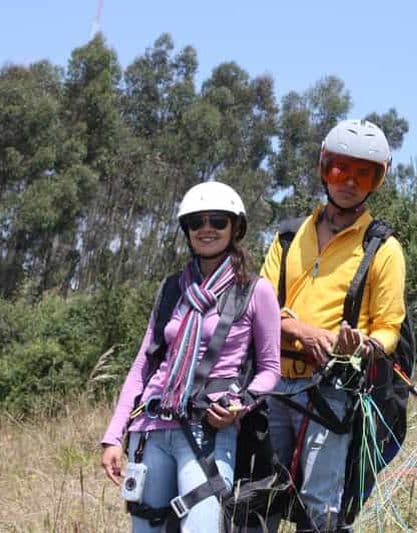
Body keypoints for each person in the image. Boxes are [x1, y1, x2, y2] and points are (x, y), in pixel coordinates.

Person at [101, 181, 282, 532]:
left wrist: (238, 404)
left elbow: (270, 370)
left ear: (235, 228)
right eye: (196, 222)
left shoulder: (255, 291)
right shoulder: (172, 289)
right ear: (187, 231)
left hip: (207, 432)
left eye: (217, 220)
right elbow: (144, 364)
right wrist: (113, 435)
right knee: (147, 528)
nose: (207, 229)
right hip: (151, 429)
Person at [260, 119, 406, 531]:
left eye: (365, 173)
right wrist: (305, 333)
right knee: (258, 494)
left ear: (378, 180)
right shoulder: (289, 237)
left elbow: (389, 328)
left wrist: (362, 344)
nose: (350, 183)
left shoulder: (383, 248)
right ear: (325, 168)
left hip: (332, 392)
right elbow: (262, 308)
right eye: (341, 169)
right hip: (272, 384)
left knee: (320, 505)